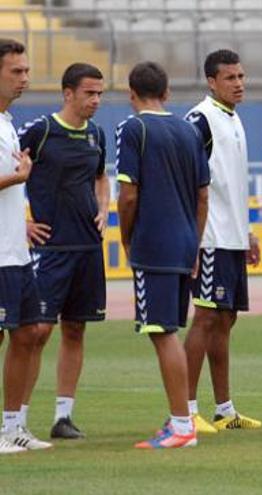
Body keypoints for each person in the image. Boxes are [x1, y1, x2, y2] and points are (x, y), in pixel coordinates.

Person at [116, 61, 210, 449]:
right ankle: (181, 419)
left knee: (162, 333)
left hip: (153, 243)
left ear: (131, 94)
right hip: (185, 242)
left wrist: (126, 239)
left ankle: (181, 425)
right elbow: (203, 195)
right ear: (167, 92)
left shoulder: (133, 128)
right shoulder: (190, 130)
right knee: (169, 330)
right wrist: (195, 242)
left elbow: (129, 194)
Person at [16, 63, 108, 440]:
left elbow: (101, 177)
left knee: (75, 328)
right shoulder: (40, 131)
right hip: (50, 248)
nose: (96, 100)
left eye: (100, 93)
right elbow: (9, 174)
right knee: (36, 331)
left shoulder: (96, 134)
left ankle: (63, 417)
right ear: (68, 93)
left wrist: (104, 208)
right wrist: (20, 224)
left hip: (87, 246)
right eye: (89, 93)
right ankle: (16, 419)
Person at [183, 49, 262, 434]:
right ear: (211, 82)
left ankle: (225, 409)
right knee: (206, 315)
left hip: (231, 236)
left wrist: (245, 232)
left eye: (242, 77)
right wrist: (192, 238)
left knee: (226, 319)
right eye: (230, 78)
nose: (239, 84)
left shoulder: (233, 119)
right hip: (210, 236)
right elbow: (187, 180)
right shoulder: (199, 120)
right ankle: (186, 410)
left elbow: (230, 184)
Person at [0, 38, 52, 453]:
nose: (25, 78)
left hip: (16, 251)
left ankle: (12, 424)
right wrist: (17, 179)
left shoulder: (7, 122)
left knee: (30, 333)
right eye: (16, 71)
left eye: (26, 71)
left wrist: (25, 218)